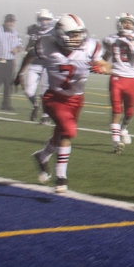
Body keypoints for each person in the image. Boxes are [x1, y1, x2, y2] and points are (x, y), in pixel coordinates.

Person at [16, 14, 110, 193]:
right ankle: (61, 177)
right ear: (60, 35)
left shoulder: (90, 46)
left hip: (76, 99)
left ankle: (42, 157)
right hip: (54, 97)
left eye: (80, 34)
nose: (78, 38)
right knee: (68, 131)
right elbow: (29, 55)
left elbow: (106, 64)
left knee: (61, 133)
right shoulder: (46, 45)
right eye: (73, 34)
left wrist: (103, 68)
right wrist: (20, 73)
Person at [102, 13, 134, 153]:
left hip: (131, 78)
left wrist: (132, 41)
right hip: (116, 77)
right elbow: (105, 58)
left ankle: (123, 129)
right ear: (119, 24)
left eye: (129, 22)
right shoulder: (111, 39)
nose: (127, 25)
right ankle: (116, 142)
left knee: (130, 112)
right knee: (116, 111)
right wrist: (103, 66)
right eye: (125, 22)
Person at [23, 9, 55, 123]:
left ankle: (45, 115)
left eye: (46, 19)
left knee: (44, 93)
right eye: (42, 19)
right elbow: (28, 46)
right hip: (34, 64)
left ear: (50, 20)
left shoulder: (54, 32)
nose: (44, 22)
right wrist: (29, 49)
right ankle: (36, 105)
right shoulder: (33, 30)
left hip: (47, 65)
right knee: (28, 91)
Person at [0, 14, 24, 111]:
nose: (10, 23)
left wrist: (17, 50)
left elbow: (20, 46)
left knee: (8, 84)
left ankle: (6, 104)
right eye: (9, 21)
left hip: (10, 61)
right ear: (5, 21)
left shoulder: (14, 32)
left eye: (12, 22)